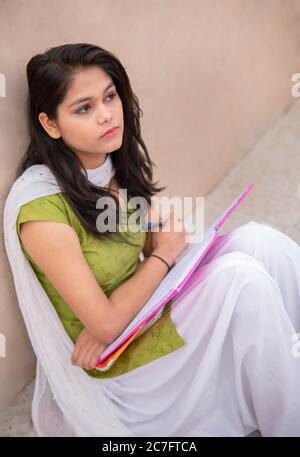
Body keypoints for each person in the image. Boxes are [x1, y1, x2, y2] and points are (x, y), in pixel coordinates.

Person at [4, 42, 300, 437]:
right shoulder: (43, 214)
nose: (107, 115)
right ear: (51, 124)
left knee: (262, 241)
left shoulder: (109, 160)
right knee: (241, 278)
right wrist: (163, 256)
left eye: (109, 97)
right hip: (119, 365)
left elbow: (146, 245)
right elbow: (109, 322)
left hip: (138, 312)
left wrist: (161, 239)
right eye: (84, 108)